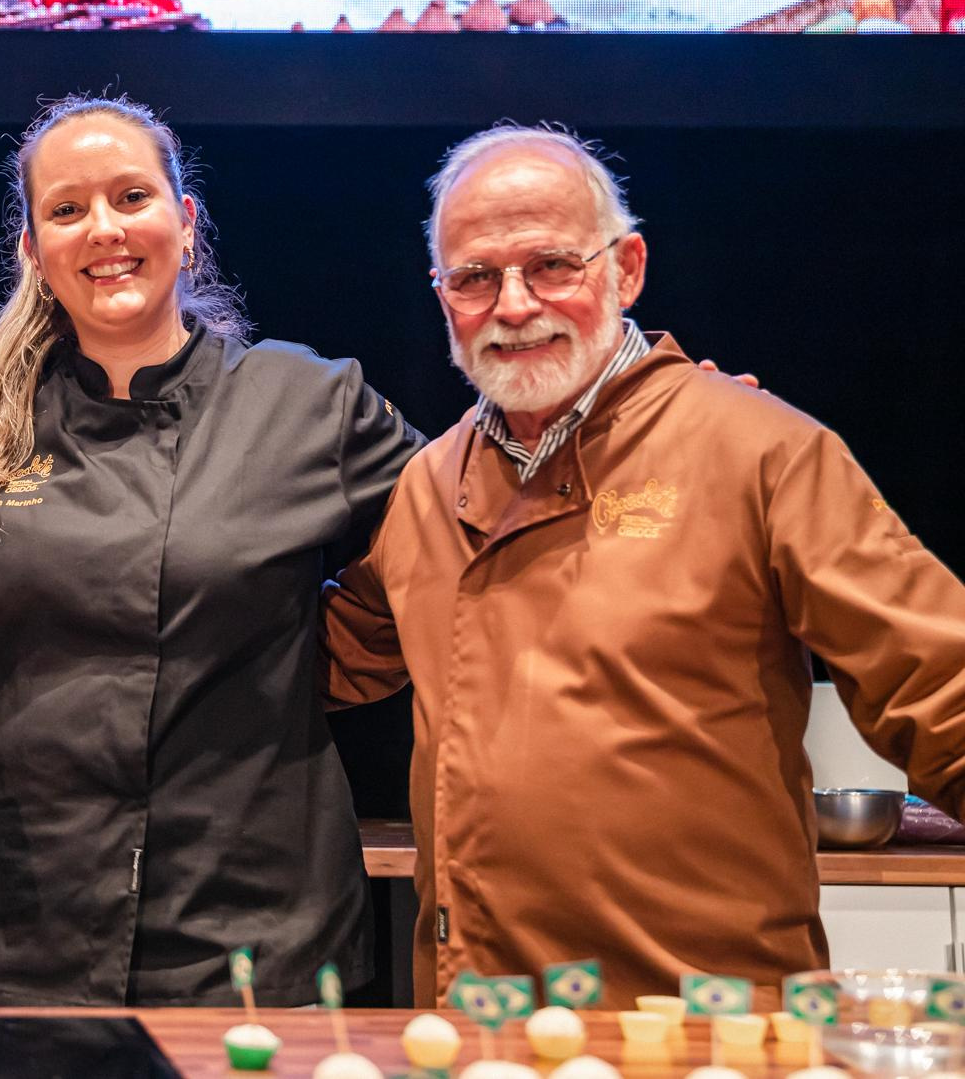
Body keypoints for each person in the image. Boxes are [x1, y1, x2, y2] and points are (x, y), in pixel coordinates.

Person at [322, 125, 965, 1008]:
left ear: (626, 268)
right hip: (483, 1025)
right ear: (442, 297)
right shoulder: (428, 486)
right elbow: (317, 657)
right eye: (474, 276)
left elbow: (944, 686)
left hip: (714, 1029)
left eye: (552, 264)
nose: (513, 304)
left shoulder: (760, 451)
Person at [0, 95, 423, 1006]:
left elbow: (469, 525)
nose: (104, 228)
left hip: (254, 931)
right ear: (32, 251)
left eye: (132, 197)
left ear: (187, 222)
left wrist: (646, 424)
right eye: (66, 210)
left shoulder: (311, 404)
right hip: (7, 932)